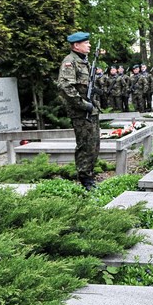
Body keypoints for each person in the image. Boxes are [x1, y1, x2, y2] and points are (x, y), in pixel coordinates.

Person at [56, 32, 100, 190]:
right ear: (76, 45)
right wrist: (83, 105)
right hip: (81, 112)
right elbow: (65, 87)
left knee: (94, 145)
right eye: (86, 43)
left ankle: (90, 174)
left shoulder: (83, 61)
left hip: (91, 110)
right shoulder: (70, 62)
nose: (89, 45)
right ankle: (84, 179)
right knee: (85, 145)